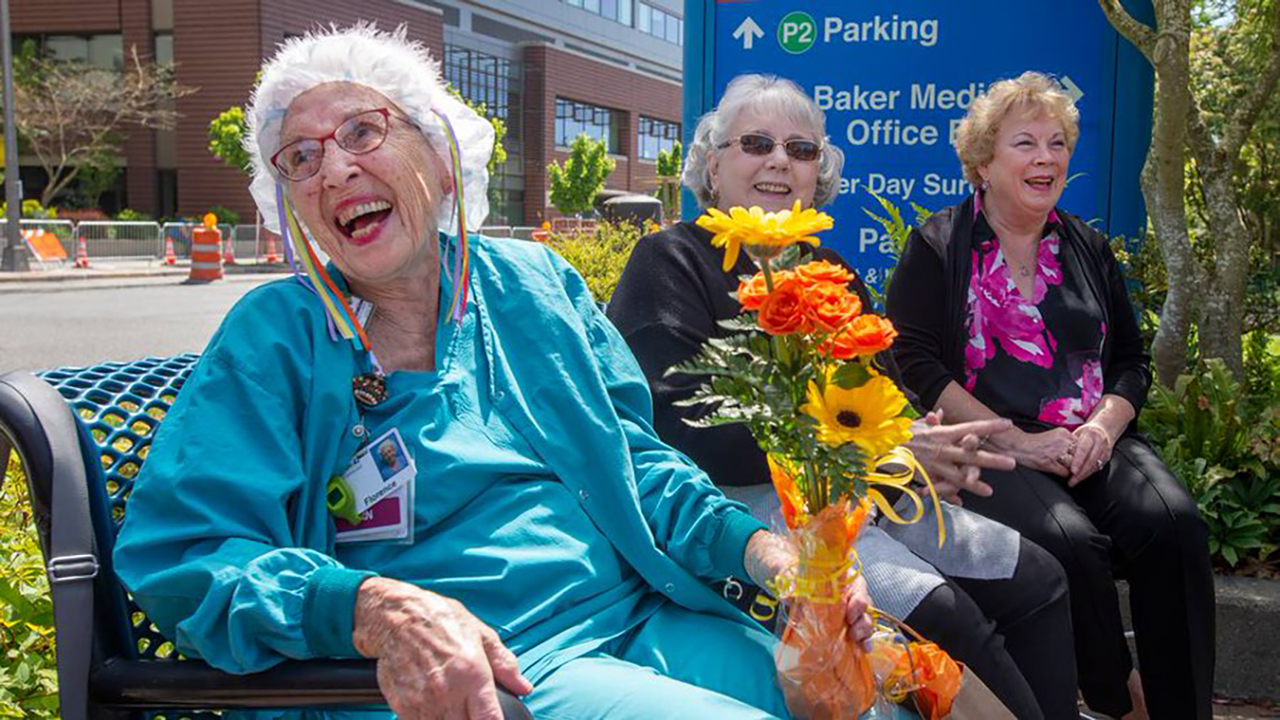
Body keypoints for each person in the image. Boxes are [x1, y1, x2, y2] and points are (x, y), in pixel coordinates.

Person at [112, 27, 889, 720]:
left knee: (870, 703)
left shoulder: (533, 286)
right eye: (301, 157)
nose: (335, 169)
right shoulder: (276, 335)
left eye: (362, 130)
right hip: (487, 675)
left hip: (636, 618)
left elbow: (640, 469)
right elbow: (186, 551)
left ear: (443, 158)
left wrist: (770, 556)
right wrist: (371, 608)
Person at [607, 73, 1080, 720]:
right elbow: (684, 419)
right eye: (756, 143)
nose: (780, 161)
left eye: (801, 150)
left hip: (863, 496)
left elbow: (885, 393)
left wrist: (931, 448)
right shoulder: (669, 260)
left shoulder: (830, 272)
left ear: (818, 174)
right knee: (945, 614)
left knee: (1041, 578)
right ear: (712, 167)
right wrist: (878, 451)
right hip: (748, 513)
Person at [886, 70, 1215, 720]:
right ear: (984, 162)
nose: (1046, 158)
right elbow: (914, 361)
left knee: (1173, 525)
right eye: (1026, 143)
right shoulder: (938, 244)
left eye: (1057, 143)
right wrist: (1017, 442)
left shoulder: (1088, 247)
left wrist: (1103, 429)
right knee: (1068, 541)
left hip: (1091, 437)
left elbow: (1130, 363)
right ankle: (1118, 698)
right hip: (991, 443)